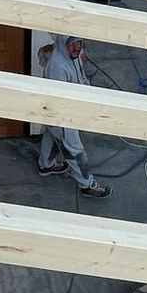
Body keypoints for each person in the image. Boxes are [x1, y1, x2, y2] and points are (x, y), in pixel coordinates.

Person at [38, 35, 110, 198]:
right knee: (75, 151)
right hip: (61, 115)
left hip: (58, 113)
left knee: (51, 135)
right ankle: (87, 184)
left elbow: (81, 78)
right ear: (63, 45)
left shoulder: (73, 56)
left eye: (79, 43)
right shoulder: (57, 67)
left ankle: (46, 165)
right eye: (72, 44)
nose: (76, 47)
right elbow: (61, 101)